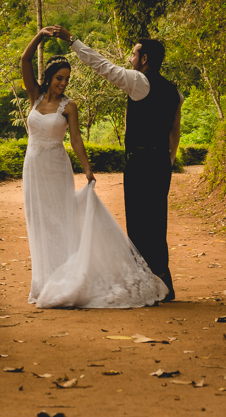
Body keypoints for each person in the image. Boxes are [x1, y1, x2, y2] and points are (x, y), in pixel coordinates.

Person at [19, 27, 168, 308]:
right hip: (33, 168)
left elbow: (75, 139)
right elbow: (25, 61)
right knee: (38, 223)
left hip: (57, 168)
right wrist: (39, 35)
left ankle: (66, 278)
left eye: (67, 79)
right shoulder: (35, 97)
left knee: (61, 221)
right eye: (59, 78)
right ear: (49, 78)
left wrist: (86, 169)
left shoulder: (69, 106)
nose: (63, 83)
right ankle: (42, 281)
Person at [52, 27, 182, 301]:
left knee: (137, 225)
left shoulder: (138, 82)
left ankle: (147, 287)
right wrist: (167, 161)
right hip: (160, 163)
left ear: (144, 59)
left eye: (134, 54)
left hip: (140, 161)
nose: (130, 58)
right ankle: (163, 284)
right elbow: (175, 131)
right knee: (157, 224)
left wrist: (73, 41)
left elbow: (102, 65)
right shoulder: (174, 92)